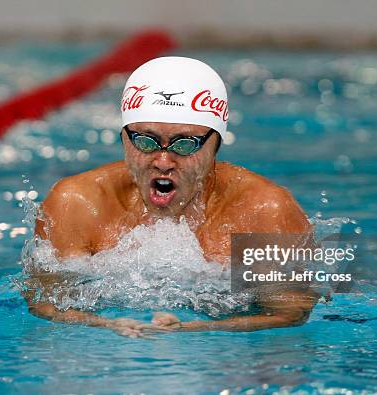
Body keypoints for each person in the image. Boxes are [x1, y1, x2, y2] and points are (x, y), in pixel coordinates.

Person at [26, 57, 318, 338]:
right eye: (145, 140)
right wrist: (106, 326)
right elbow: (45, 304)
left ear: (217, 140)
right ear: (123, 137)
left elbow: (291, 315)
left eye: (185, 144)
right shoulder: (77, 204)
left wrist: (200, 331)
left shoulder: (265, 212)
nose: (163, 160)